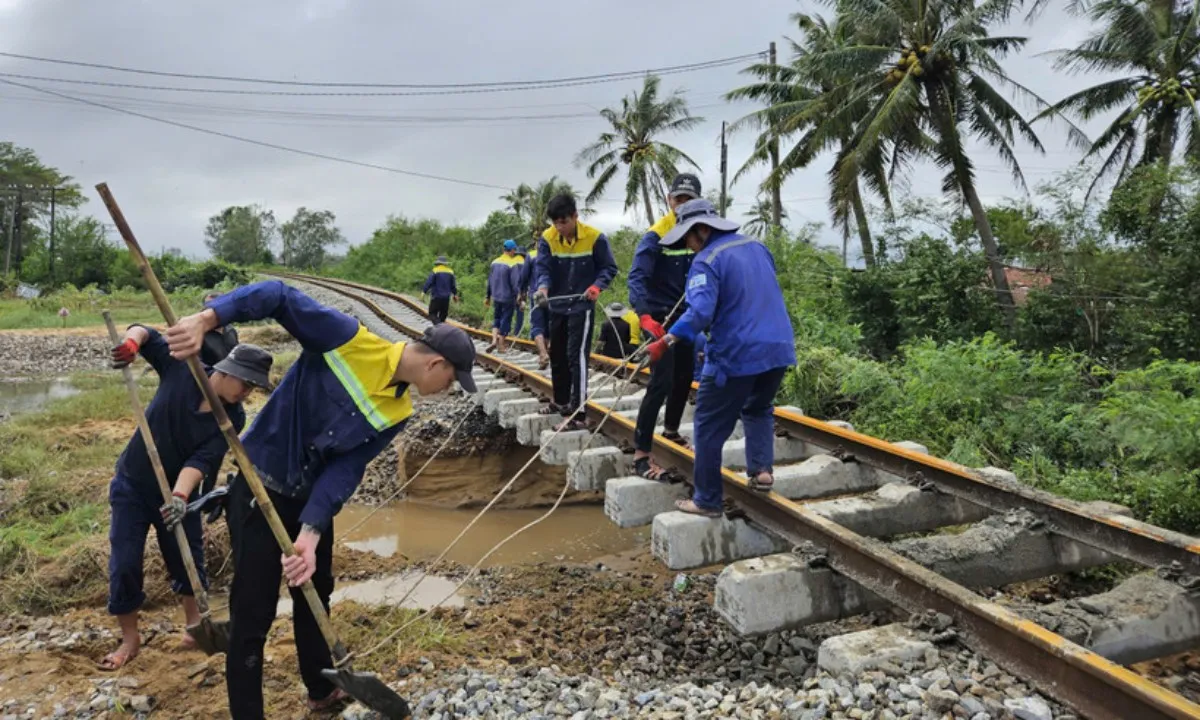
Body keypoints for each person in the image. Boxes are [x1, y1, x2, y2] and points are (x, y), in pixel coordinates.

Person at [164, 281, 477, 718]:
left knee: (315, 589)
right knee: (252, 610)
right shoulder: (346, 338)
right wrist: (207, 318)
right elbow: (278, 295)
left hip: (308, 500)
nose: (449, 389)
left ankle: (320, 689)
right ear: (437, 363)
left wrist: (310, 532)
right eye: (452, 380)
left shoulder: (398, 411)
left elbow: (346, 468)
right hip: (258, 486)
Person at [101, 327, 271, 671]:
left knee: (187, 557)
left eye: (253, 388)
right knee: (125, 562)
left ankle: (195, 629)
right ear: (227, 372)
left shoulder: (231, 418)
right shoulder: (184, 369)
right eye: (246, 384)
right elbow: (148, 333)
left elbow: (202, 461)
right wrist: (132, 343)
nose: (248, 392)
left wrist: (179, 496)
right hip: (133, 483)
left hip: (180, 494)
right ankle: (130, 641)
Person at [645, 199, 796, 516]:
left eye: (687, 238)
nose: (687, 246)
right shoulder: (756, 247)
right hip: (778, 347)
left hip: (735, 353)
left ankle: (707, 500)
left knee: (708, 425)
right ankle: (762, 472)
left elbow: (699, 313)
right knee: (757, 408)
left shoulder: (706, 260)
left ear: (701, 230)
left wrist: (667, 340)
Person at [627, 173, 702, 479]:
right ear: (670, 201)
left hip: (687, 317)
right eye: (678, 199)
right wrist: (645, 316)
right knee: (662, 380)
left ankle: (671, 431)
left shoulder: (701, 232)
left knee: (684, 376)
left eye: (688, 199)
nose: (682, 204)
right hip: (659, 317)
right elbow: (637, 278)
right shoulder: (656, 236)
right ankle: (641, 453)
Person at [533, 194, 617, 431]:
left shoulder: (594, 238)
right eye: (556, 223)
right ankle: (561, 402)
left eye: (564, 222)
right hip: (557, 305)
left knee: (576, 357)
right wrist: (543, 287)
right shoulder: (548, 239)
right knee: (557, 354)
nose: (560, 227)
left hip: (581, 306)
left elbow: (609, 268)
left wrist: (596, 286)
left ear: (575, 217)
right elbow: (544, 269)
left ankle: (579, 413)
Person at [485, 239, 524, 352]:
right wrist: (519, 296)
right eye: (514, 251)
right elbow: (515, 283)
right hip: (508, 297)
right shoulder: (512, 264)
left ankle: (493, 341)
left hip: (496, 296)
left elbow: (490, 281)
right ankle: (501, 345)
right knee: (506, 320)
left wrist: (488, 296)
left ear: (503, 249)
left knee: (496, 318)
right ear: (512, 250)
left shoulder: (494, 262)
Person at [524, 240, 550, 368]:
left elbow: (524, 276)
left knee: (537, 326)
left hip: (537, 294)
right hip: (554, 295)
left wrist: (521, 293)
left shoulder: (531, 255)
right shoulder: (556, 252)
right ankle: (548, 351)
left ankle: (543, 354)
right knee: (550, 326)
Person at [200, 292, 239, 366]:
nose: (213, 311)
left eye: (217, 306)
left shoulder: (230, 330)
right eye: (209, 306)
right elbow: (197, 364)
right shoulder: (199, 334)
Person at [422, 256, 459, 323]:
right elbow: (453, 285)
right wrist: (455, 294)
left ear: (438, 263)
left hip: (436, 297)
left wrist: (424, 291)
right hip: (446, 298)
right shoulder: (450, 272)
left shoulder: (435, 270)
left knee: (432, 314)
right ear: (445, 264)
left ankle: (438, 326)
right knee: (443, 315)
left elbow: (429, 282)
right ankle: (440, 328)